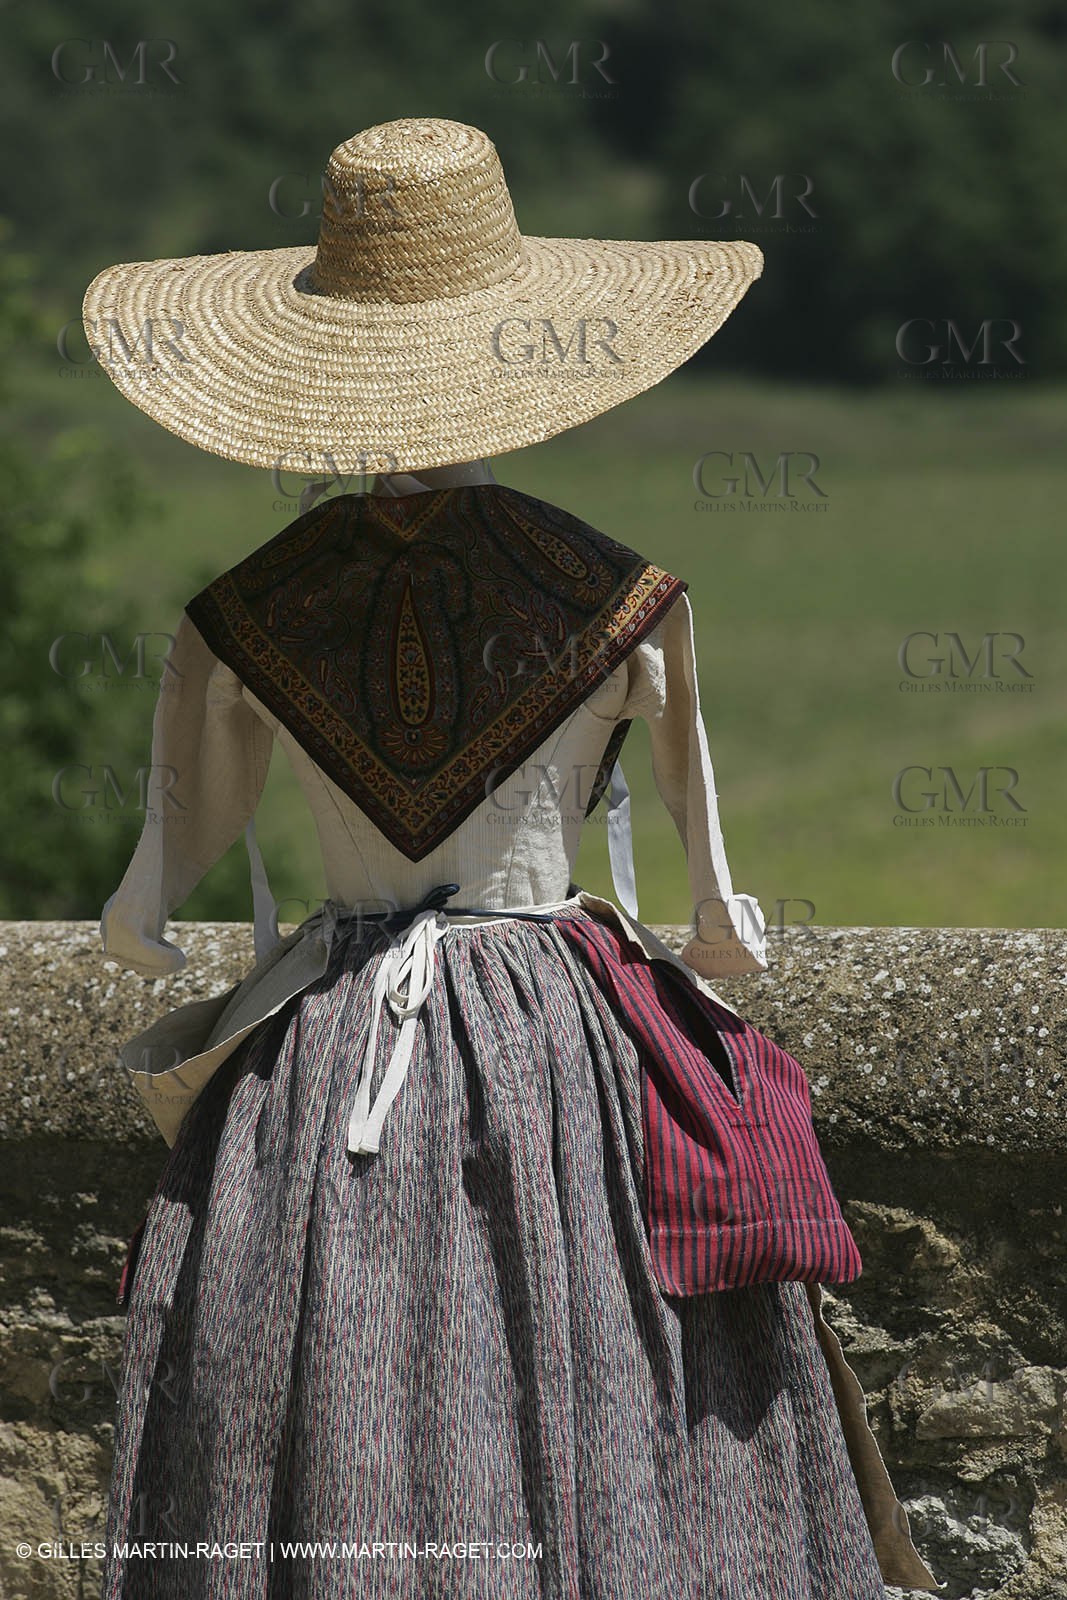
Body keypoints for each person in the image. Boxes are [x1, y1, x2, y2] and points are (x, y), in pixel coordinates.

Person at [84, 117, 940, 1598]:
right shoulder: (623, 592)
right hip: (564, 1050)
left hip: (325, 1060)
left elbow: (168, 857)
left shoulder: (244, 609)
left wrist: (144, 923)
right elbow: (708, 872)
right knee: (608, 1385)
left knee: (315, 1405)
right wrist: (717, 941)